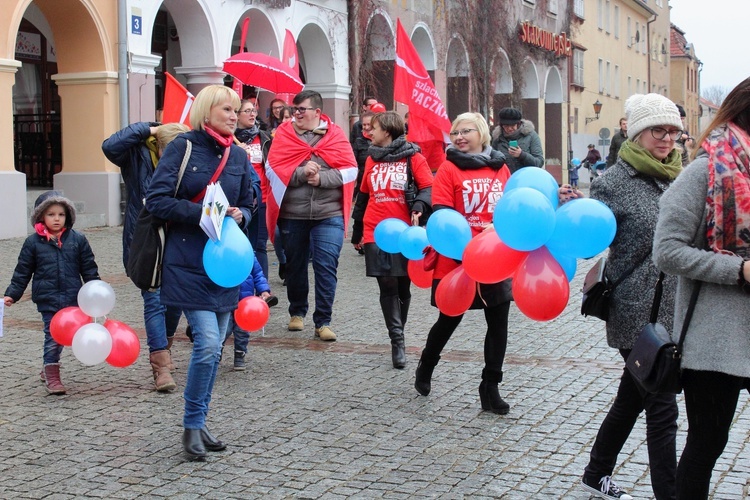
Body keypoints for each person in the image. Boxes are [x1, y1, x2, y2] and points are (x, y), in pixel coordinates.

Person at [146, 84, 258, 460]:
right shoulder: (183, 147)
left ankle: (200, 422)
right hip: (187, 260)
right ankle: (191, 428)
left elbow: (248, 201)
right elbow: (157, 200)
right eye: (225, 108)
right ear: (206, 111)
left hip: (225, 265)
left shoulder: (239, 157)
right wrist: (202, 215)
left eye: (235, 109)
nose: (233, 114)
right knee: (208, 343)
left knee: (214, 349)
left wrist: (243, 214)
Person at [581, 93, 684, 500]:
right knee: (662, 407)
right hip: (633, 311)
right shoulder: (612, 182)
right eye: (658, 130)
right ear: (638, 132)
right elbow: (590, 243)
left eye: (673, 131)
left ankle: (596, 472)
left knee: (632, 398)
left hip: (675, 309)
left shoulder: (680, 175)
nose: (667, 139)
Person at [653, 77, 750, 499]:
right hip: (716, 339)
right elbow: (667, 252)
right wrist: (739, 271)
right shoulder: (706, 170)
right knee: (707, 446)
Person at [414, 112, 514, 413]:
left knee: (498, 323)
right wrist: (467, 244)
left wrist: (498, 229)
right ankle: (427, 364)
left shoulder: (500, 168)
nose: (458, 137)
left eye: (465, 131)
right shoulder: (448, 168)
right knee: (450, 317)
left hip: (495, 255)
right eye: (454, 132)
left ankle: (490, 386)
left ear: (481, 132)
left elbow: (510, 209)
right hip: (457, 257)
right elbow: (443, 212)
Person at [102, 121, 189, 392]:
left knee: (175, 301)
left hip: (178, 238)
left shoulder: (187, 162)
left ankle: (166, 346)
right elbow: (109, 146)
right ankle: (161, 366)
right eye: (169, 149)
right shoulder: (136, 155)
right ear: (157, 145)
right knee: (153, 299)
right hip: (144, 240)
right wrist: (148, 128)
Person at [265, 90, 358, 342]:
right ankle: (297, 312)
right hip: (293, 214)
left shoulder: (336, 135)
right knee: (295, 266)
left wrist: (321, 179)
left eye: (301, 109)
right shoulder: (284, 134)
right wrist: (301, 173)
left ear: (317, 112)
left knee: (326, 265)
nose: (296, 114)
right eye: (294, 109)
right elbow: (272, 169)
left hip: (329, 214)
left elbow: (350, 170)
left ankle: (323, 320)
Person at [351, 111, 433, 369]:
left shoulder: (414, 157)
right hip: (375, 230)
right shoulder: (371, 160)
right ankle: (397, 340)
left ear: (387, 131)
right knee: (386, 285)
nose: (369, 133)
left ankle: (400, 330)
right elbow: (363, 195)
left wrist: (419, 205)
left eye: (373, 129)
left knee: (402, 287)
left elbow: (428, 188)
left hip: (405, 232)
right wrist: (356, 230)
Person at [4, 191, 100, 395]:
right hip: (47, 298)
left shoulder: (78, 240)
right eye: (51, 214)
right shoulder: (33, 243)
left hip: (73, 297)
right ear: (41, 217)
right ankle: (53, 374)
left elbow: (89, 269)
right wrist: (13, 293)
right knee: (53, 334)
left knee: (65, 334)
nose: (56, 218)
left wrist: (96, 293)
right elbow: (22, 271)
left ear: (68, 216)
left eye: (61, 214)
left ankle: (47, 366)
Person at [235, 98, 271, 278]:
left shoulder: (263, 138)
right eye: (247, 111)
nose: (252, 114)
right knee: (241, 244)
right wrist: (237, 152)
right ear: (237, 115)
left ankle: (263, 289)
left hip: (262, 199)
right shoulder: (229, 140)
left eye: (254, 111)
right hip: (240, 201)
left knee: (259, 245)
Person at [224, 254, 278, 371]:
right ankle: (216, 351)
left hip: (245, 302)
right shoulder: (221, 252)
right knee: (224, 328)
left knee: (242, 329)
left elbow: (258, 275)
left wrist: (263, 291)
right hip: (224, 300)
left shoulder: (248, 253)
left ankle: (240, 353)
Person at [490, 107, 544, 172]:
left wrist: (521, 155)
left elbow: (539, 163)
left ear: (518, 124)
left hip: (526, 178)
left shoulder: (530, 135)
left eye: (512, 125)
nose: (509, 129)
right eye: (506, 126)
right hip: (506, 179)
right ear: (501, 126)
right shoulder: (497, 138)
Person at [350, 110, 374, 254]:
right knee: (361, 211)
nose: (365, 127)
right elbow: (353, 161)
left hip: (377, 182)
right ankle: (360, 238)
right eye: (363, 125)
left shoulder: (382, 141)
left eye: (368, 124)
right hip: (362, 182)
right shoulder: (359, 142)